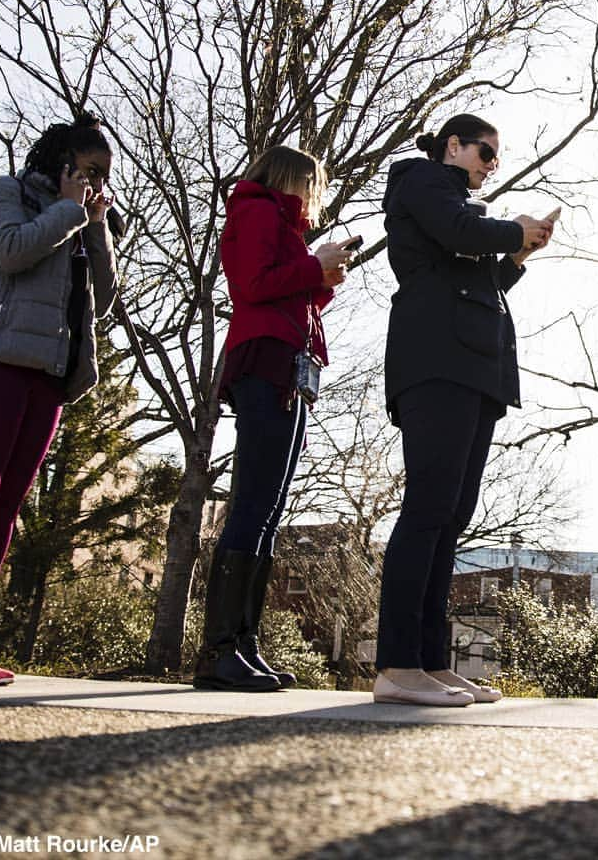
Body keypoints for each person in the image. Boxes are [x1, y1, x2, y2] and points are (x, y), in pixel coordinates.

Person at [374, 115, 553, 706]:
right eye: (485, 151)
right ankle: (398, 664)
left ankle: (428, 661)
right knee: (427, 509)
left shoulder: (464, 214)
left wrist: (520, 252)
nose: (491, 164)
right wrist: (513, 227)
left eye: (497, 156)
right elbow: (457, 234)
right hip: (436, 363)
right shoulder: (422, 182)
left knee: (451, 517)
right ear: (453, 146)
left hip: (474, 368)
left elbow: (480, 275)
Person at [193, 146, 357, 692]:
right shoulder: (258, 211)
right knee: (253, 502)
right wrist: (314, 265)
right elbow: (252, 286)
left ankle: (242, 642)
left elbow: (289, 295)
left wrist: (323, 278)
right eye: (312, 185)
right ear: (293, 179)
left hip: (286, 362)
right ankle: (219, 649)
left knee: (268, 506)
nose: (315, 197)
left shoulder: (279, 220)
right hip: (265, 360)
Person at [0, 113, 119, 686]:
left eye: (104, 177)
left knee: (5, 509)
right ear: (61, 164)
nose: (95, 184)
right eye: (88, 171)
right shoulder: (5, 192)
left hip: (50, 377)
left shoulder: (79, 222)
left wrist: (96, 227)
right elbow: (11, 251)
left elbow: (103, 301)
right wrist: (67, 211)